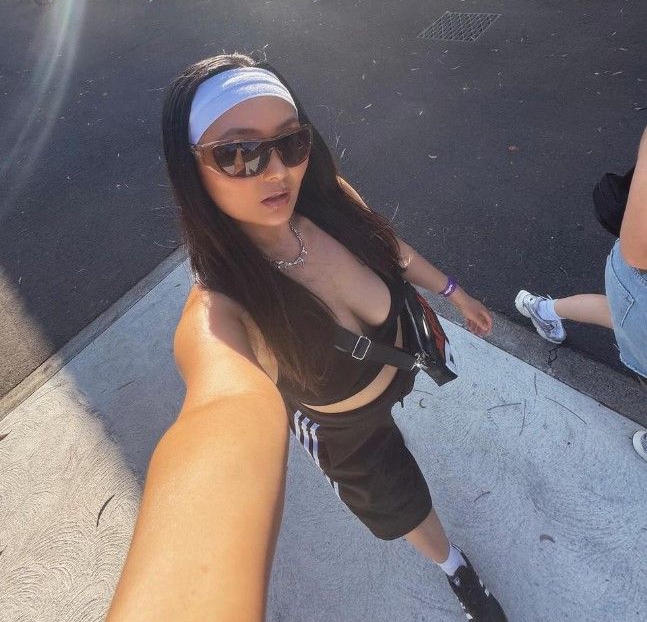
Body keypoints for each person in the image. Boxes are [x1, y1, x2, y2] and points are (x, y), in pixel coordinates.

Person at [110, 53, 508, 622]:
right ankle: (454, 566)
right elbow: (218, 428)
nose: (277, 171)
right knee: (403, 506)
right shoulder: (222, 309)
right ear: (190, 168)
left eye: (291, 143)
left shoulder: (327, 199)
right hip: (349, 434)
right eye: (239, 152)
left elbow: (391, 249)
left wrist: (453, 291)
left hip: (404, 366)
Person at [516, 124, 647, 463]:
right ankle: (544, 310)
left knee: (618, 314)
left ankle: (543, 310)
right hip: (637, 279)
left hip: (634, 283)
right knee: (622, 314)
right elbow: (637, 250)